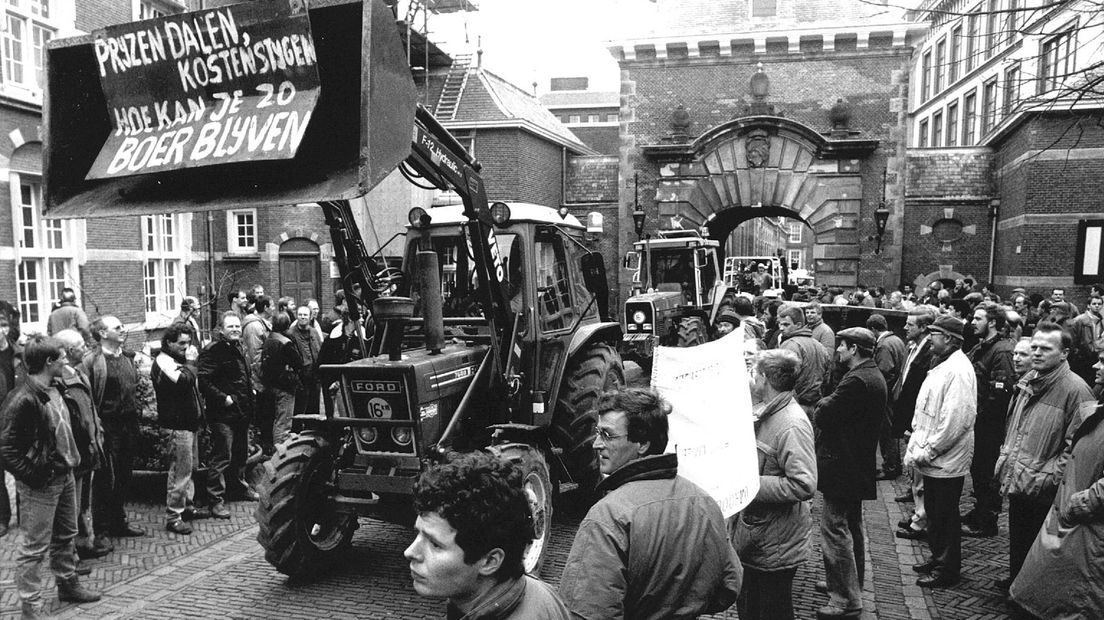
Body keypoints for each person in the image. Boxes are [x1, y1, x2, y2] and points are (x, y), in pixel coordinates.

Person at [559, 387, 742, 619]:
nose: (596, 443)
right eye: (597, 432)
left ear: (642, 444)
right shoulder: (703, 501)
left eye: (607, 435)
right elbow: (730, 584)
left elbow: (587, 611)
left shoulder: (610, 515)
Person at [0, 335, 102, 617]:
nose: (66, 360)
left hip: (66, 473)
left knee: (66, 535)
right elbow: (6, 449)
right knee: (34, 548)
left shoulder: (57, 388)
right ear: (48, 362)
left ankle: (68, 585)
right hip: (41, 483)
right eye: (61, 357)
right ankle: (31, 606)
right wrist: (34, 476)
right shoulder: (21, 399)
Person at [404, 451, 570, 619]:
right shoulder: (541, 593)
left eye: (435, 544)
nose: (410, 552)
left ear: (490, 561)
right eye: (418, 534)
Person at [994, 322, 1095, 590]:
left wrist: (1052, 477)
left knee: (1041, 547)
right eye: (1035, 347)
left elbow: (1077, 445)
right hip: (1021, 477)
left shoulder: (1077, 390)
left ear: (1064, 353)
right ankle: (1016, 580)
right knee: (1019, 538)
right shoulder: (1028, 381)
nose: (1036, 353)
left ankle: (1029, 592)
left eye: (1045, 348)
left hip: (1044, 486)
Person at [1008, 351, 1104, 619]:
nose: (1096, 364)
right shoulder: (1097, 398)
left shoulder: (1079, 391)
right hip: (1071, 521)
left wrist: (1079, 503)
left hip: (1086, 530)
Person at [732, 349, 816, 620]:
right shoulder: (768, 412)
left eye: (753, 373)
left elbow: (804, 484)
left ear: (765, 378)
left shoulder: (791, 424)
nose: (750, 379)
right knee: (751, 608)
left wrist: (749, 483)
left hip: (775, 544)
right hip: (761, 538)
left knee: (770, 611)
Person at [812, 327, 886, 619]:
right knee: (851, 527)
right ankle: (846, 583)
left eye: (841, 346)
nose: (838, 351)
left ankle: (844, 598)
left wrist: (822, 404)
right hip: (856, 465)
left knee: (835, 529)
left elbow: (824, 413)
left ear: (854, 348)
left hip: (843, 466)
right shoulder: (871, 375)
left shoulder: (856, 380)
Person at [904, 316, 977, 589]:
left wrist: (928, 450)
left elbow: (955, 421)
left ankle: (947, 568)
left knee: (945, 514)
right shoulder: (944, 364)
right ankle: (938, 557)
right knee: (935, 512)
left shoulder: (957, 370)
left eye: (934, 333)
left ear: (948, 338)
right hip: (934, 456)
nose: (929, 337)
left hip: (943, 458)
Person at [81, 316, 146, 541]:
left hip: (129, 425)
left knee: (124, 475)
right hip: (107, 427)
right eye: (117, 327)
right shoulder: (91, 361)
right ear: (102, 333)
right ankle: (102, 529)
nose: (123, 330)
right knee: (104, 479)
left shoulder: (127, 357)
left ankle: (119, 521)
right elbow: (86, 397)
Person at [52, 329, 109, 563]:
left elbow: (90, 407)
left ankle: (86, 542)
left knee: (85, 499)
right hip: (75, 450)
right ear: (67, 350)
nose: (85, 346)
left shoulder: (79, 372)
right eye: (79, 344)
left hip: (89, 447)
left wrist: (98, 430)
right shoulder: (59, 381)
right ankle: (70, 554)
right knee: (71, 505)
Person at [961, 302, 1015, 538]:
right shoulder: (982, 347)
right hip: (979, 424)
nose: (973, 322)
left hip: (988, 427)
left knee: (986, 473)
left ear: (992, 322)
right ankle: (979, 510)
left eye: (979, 318)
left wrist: (980, 417)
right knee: (979, 471)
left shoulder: (1001, 351)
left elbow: (1001, 393)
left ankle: (987, 520)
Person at [197, 312, 258, 519]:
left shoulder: (238, 347)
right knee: (222, 456)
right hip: (222, 415)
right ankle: (215, 500)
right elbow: (204, 381)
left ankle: (239, 488)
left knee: (241, 454)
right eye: (230, 326)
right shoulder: (213, 351)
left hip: (242, 412)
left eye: (237, 326)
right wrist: (224, 398)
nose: (235, 329)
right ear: (221, 329)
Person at [152, 324, 210, 535]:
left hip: (189, 423)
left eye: (188, 343)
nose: (186, 348)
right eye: (181, 344)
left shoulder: (177, 360)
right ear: (169, 342)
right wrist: (192, 363)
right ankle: (173, 516)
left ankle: (187, 506)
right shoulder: (164, 362)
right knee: (180, 471)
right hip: (177, 426)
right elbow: (185, 382)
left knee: (191, 468)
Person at [892, 307, 937, 535]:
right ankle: (918, 514)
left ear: (923, 327)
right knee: (914, 471)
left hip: (918, 416)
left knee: (921, 473)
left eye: (911, 325)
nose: (905, 328)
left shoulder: (929, 352)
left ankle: (921, 522)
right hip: (909, 413)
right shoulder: (913, 347)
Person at [868, 314, 906, 480]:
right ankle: (893, 465)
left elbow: (885, 372)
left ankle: (890, 466)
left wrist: (879, 393)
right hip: (895, 393)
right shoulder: (896, 340)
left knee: (887, 432)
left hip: (888, 396)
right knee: (891, 431)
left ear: (873, 329)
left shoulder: (883, 345)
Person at [776, 304, 830, 417]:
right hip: (815, 406)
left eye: (786, 324)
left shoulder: (790, 345)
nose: (781, 328)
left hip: (793, 405)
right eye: (780, 324)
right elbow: (827, 377)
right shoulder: (819, 346)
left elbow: (781, 379)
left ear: (799, 325)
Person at [260, 311, 302, 447]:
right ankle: (280, 450)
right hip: (285, 386)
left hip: (270, 384)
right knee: (283, 422)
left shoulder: (269, 339)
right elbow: (298, 362)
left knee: (276, 419)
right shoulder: (286, 343)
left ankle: (274, 446)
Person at [0, 310, 22, 537]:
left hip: (17, 419)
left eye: (3, 324)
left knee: (21, 467)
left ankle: (25, 514)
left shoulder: (19, 353)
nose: (0, 330)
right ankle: (2, 517)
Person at [290, 305, 322, 415]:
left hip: (315, 375)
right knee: (300, 406)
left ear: (310, 317)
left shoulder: (314, 332)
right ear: (296, 316)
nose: (303, 317)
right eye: (300, 315)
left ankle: (313, 428)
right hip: (300, 378)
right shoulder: (291, 334)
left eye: (305, 315)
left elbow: (320, 350)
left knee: (314, 405)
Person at [1067, 294, 1104, 385]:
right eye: (1094, 303)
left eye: (1099, 304)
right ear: (1088, 305)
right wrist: (1077, 354)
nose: (1097, 306)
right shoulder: (1079, 320)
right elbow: (1072, 341)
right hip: (1082, 359)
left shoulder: (1100, 321)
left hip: (1095, 357)